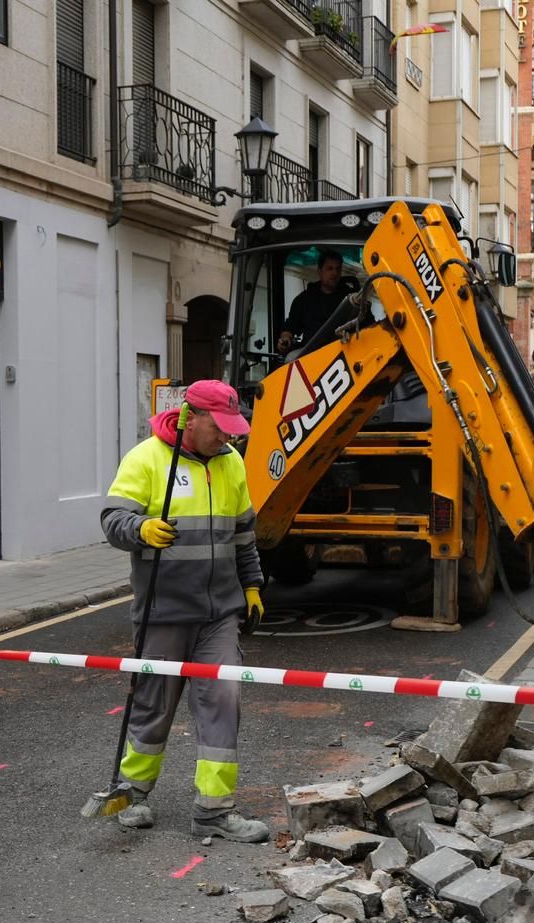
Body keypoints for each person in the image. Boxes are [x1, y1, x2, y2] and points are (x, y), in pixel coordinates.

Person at [99, 379, 269, 843]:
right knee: (153, 702)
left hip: (219, 613)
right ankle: (131, 794)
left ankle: (213, 812)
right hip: (164, 609)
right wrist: (141, 528)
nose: (228, 437)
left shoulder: (232, 463)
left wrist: (251, 586)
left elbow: (243, 533)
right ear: (191, 418)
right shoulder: (148, 458)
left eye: (233, 429)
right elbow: (112, 520)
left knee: (223, 702)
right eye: (220, 427)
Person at [276, 249, 350, 358]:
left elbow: (367, 323)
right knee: (290, 359)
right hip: (311, 354)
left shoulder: (351, 298)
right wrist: (285, 340)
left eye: (338, 269)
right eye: (330, 268)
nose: (335, 273)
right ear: (319, 271)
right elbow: (290, 327)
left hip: (345, 351)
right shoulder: (304, 299)